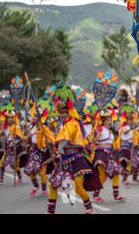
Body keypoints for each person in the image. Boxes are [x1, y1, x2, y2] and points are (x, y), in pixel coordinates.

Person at [47, 85, 102, 214]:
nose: (61, 115)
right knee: (53, 184)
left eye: (63, 113)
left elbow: (66, 139)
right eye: (59, 113)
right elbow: (60, 139)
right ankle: (50, 211)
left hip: (76, 158)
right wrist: (53, 144)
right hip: (64, 159)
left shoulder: (73, 123)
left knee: (78, 187)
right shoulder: (64, 124)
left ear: (68, 112)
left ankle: (89, 208)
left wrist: (57, 145)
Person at [91, 103, 125, 203]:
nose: (110, 122)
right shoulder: (99, 130)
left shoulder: (111, 131)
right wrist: (96, 137)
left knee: (116, 173)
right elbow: (93, 142)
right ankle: (95, 195)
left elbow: (115, 142)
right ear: (103, 121)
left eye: (111, 120)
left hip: (110, 154)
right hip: (101, 154)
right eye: (108, 120)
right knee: (102, 175)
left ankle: (116, 195)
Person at [24, 99, 56, 197]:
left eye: (35, 116)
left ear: (39, 117)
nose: (32, 117)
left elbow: (52, 139)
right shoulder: (31, 127)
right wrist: (24, 138)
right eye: (33, 116)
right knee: (30, 170)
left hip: (42, 151)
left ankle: (44, 190)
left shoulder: (44, 128)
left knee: (42, 172)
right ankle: (36, 186)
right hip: (33, 150)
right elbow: (27, 138)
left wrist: (48, 142)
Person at [0, 102, 27, 184]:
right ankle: (1, 178)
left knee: (14, 164)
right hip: (7, 147)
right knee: (2, 163)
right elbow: (1, 134)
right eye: (8, 118)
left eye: (11, 117)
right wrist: (0, 134)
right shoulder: (5, 127)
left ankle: (19, 178)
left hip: (14, 147)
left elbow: (20, 137)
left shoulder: (16, 127)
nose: (9, 119)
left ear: (14, 118)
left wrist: (15, 142)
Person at [118, 103, 139, 186]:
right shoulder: (124, 127)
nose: (131, 121)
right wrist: (131, 127)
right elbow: (125, 132)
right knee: (127, 164)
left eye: (132, 120)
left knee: (137, 162)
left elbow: (138, 137)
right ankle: (124, 179)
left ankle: (135, 177)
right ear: (127, 120)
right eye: (130, 120)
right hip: (125, 148)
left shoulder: (133, 129)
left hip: (132, 148)